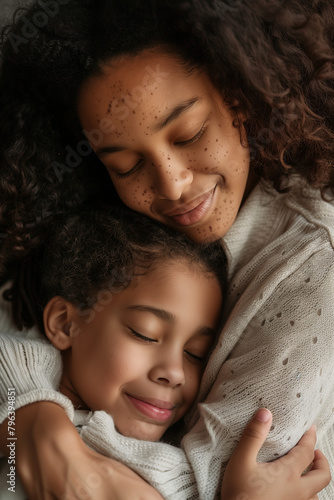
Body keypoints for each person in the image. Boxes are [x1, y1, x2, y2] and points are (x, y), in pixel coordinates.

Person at [0, 0, 333, 498]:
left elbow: (208, 484)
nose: (173, 185)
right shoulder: (115, 219)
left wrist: (47, 428)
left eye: (191, 133)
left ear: (239, 97)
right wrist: (30, 418)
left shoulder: (314, 264)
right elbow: (16, 313)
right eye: (128, 166)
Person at [0, 206, 326, 500]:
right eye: (145, 334)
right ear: (65, 323)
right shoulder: (28, 392)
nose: (175, 372)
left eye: (196, 354)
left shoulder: (177, 469)